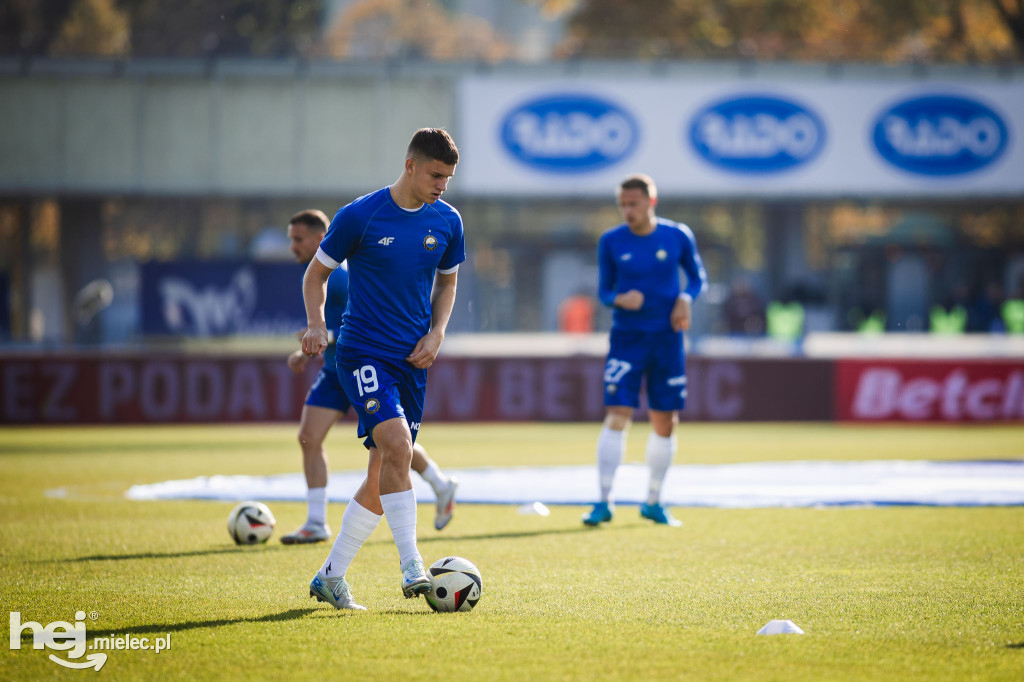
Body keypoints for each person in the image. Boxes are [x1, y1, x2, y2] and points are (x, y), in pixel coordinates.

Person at [301, 128, 465, 610]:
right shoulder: (361, 215)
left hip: (413, 360)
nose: (443, 185)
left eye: (449, 177)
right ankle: (413, 565)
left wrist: (437, 333)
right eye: (436, 175)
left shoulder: (449, 221)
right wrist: (315, 324)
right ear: (411, 165)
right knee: (397, 446)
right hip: (363, 351)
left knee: (384, 469)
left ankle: (331, 576)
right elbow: (316, 274)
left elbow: (448, 284)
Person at [281, 209, 458, 545]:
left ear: (322, 239)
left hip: (366, 366)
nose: (292, 246)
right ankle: (316, 521)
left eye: (298, 239)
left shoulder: (342, 276)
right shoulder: (317, 274)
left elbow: (365, 321)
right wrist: (313, 341)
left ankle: (438, 483)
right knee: (309, 436)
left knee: (390, 446)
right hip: (335, 371)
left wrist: (323, 336)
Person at [583, 174, 707, 528]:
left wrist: (685, 298)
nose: (627, 210)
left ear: (650, 202)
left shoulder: (678, 235)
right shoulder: (611, 241)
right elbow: (605, 291)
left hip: (667, 339)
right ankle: (603, 501)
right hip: (627, 338)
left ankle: (654, 501)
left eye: (633, 203)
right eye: (622, 204)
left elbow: (698, 278)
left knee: (665, 419)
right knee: (618, 413)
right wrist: (620, 298)